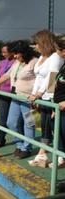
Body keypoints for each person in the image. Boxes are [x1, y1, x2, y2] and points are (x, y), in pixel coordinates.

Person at [0, 40, 38, 159]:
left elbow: (42, 80)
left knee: (29, 124)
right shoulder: (17, 62)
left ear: (24, 52)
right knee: (10, 122)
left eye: (17, 53)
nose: (15, 56)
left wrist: (37, 96)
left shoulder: (35, 62)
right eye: (14, 54)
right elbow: (7, 75)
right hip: (16, 97)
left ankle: (27, 148)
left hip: (29, 99)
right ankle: (19, 143)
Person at [28, 30, 64, 167]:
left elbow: (52, 77)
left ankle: (59, 156)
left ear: (44, 42)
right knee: (45, 126)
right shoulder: (41, 57)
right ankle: (42, 153)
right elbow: (39, 78)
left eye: (36, 43)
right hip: (42, 96)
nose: (35, 46)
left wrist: (40, 94)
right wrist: (34, 94)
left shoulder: (55, 57)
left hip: (51, 97)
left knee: (56, 127)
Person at [49, 34, 65, 168]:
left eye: (57, 50)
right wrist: (56, 107)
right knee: (61, 137)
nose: (57, 53)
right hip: (60, 109)